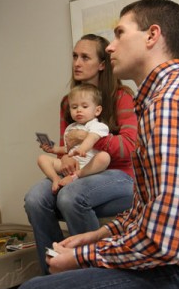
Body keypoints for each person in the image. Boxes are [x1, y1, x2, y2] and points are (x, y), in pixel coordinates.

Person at [16, 0, 179, 289]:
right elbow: (148, 209)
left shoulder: (174, 107)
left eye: (119, 34)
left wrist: (83, 257)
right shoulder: (166, 101)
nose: (110, 47)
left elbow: (165, 240)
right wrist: (98, 234)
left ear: (152, 36)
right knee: (38, 202)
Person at [24, 34, 137, 275]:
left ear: (102, 64)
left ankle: (93, 275)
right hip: (82, 172)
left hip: (119, 175)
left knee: (70, 196)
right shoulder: (68, 102)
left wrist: (92, 140)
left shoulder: (122, 96)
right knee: (35, 197)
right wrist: (64, 156)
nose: (77, 62)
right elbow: (67, 142)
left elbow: (129, 147)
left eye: (85, 57)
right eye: (75, 56)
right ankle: (55, 273)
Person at [37, 83, 110, 195]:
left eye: (84, 107)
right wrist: (54, 149)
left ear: (97, 110)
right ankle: (56, 179)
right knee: (42, 158)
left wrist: (82, 148)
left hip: (87, 165)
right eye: (74, 107)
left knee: (104, 157)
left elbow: (92, 137)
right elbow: (67, 148)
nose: (79, 110)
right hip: (70, 165)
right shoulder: (70, 128)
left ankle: (77, 175)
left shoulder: (98, 126)